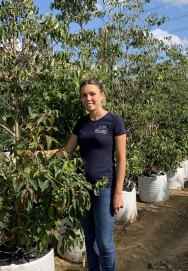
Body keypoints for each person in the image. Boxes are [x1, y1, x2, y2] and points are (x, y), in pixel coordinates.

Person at [65, 79, 126, 271]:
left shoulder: (114, 121)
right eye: (84, 95)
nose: (88, 98)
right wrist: (40, 154)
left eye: (92, 94)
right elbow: (66, 152)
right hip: (83, 189)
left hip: (104, 188)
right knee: (89, 238)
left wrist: (118, 193)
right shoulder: (81, 123)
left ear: (102, 96)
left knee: (105, 242)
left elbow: (122, 159)